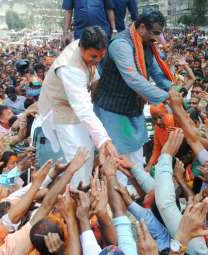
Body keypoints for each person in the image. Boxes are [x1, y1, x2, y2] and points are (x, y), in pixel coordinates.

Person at [93, 11, 174, 185]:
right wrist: (166, 97)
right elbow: (133, 78)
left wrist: (174, 90)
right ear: (142, 27)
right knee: (118, 161)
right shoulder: (121, 44)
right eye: (156, 33)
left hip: (132, 110)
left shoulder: (146, 45)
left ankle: (136, 196)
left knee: (136, 158)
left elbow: (157, 74)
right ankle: (119, 201)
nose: (158, 38)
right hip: (113, 111)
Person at [38, 26, 117, 188]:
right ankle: (77, 197)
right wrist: (103, 140)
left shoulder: (86, 49)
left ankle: (85, 190)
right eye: (93, 56)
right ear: (81, 48)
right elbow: (83, 108)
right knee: (78, 157)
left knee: (86, 150)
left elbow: (94, 79)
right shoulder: (70, 68)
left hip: (76, 108)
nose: (97, 60)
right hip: (61, 111)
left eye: (101, 56)